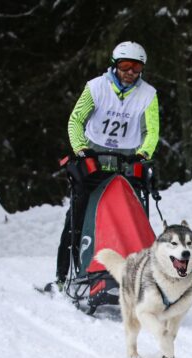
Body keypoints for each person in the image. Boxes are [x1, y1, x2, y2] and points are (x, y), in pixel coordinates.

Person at [54, 41, 160, 287]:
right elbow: (76, 121)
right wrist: (81, 150)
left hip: (127, 158)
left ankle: (139, 272)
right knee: (77, 216)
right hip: (94, 155)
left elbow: (152, 131)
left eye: (136, 67)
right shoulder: (96, 87)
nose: (130, 72)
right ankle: (64, 276)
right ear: (115, 65)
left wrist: (143, 155)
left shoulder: (148, 94)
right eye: (125, 65)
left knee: (131, 213)